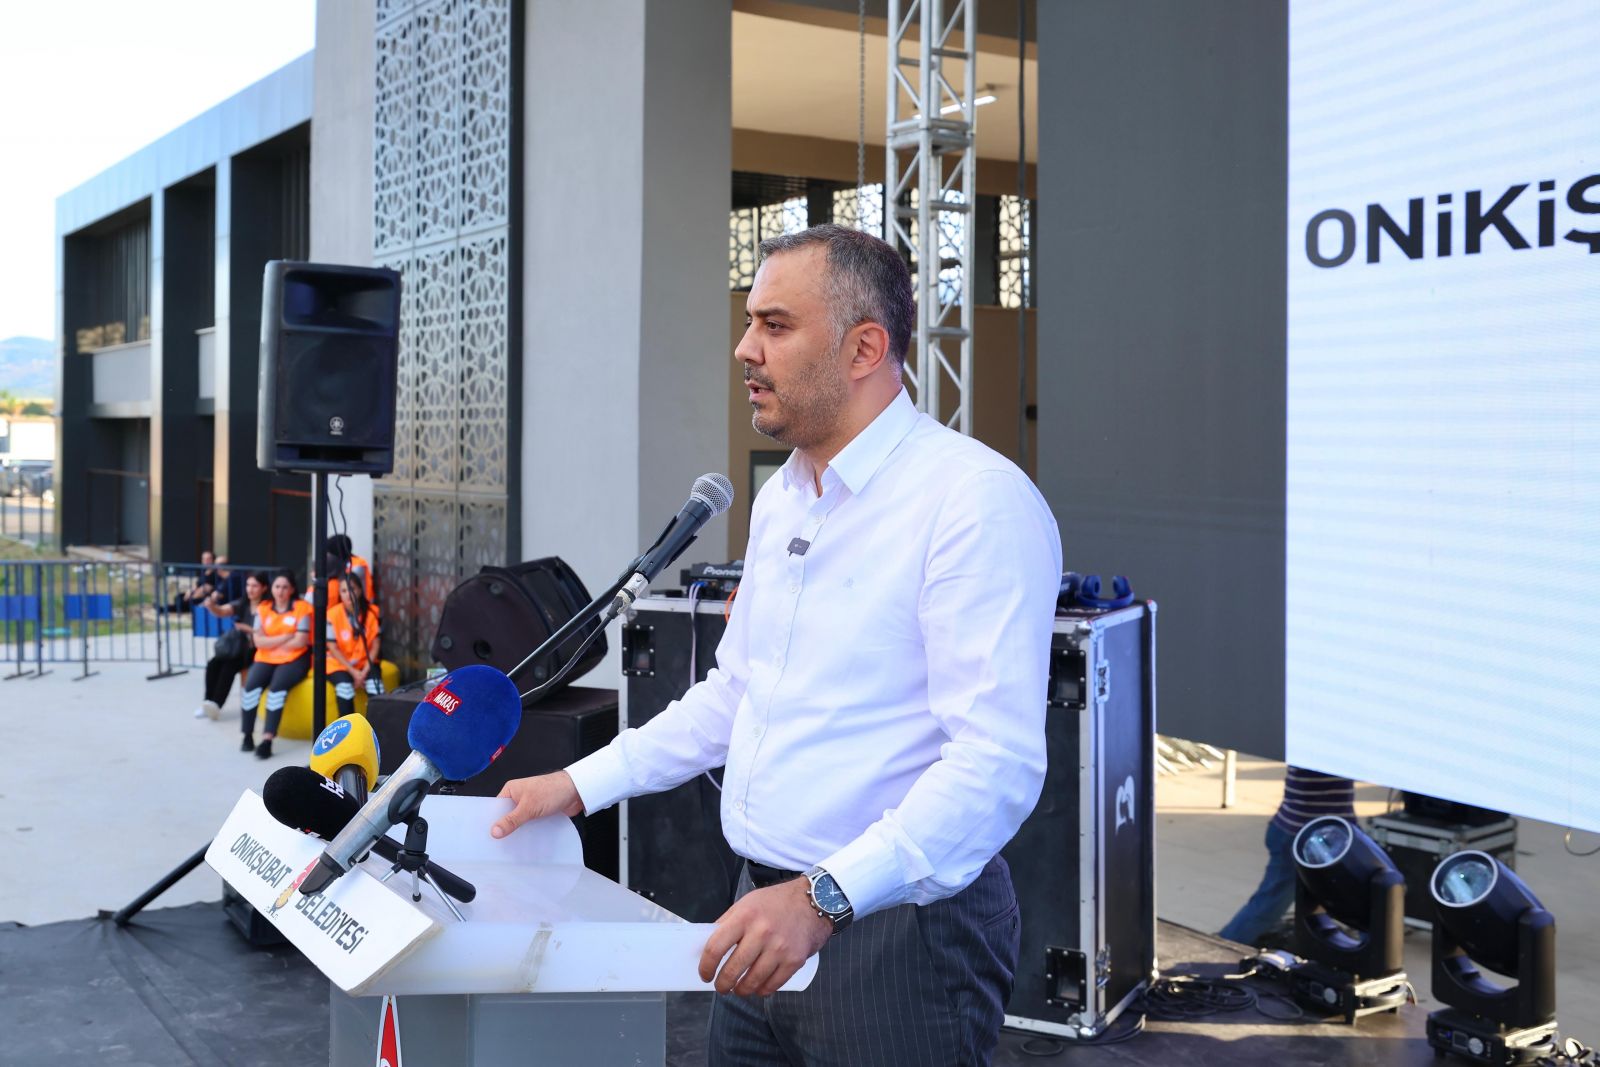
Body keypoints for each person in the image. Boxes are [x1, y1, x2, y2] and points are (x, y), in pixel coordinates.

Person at [490, 224, 1061, 1065]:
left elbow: (995, 766)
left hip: (895, 938)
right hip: (761, 912)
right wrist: (578, 784)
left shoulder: (972, 501)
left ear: (865, 348)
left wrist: (822, 899)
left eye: (775, 325)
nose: (744, 348)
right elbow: (735, 692)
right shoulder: (784, 497)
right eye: (750, 322)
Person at [1218, 765, 1358, 946]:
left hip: (1311, 830)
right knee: (1269, 905)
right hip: (1305, 833)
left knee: (1355, 895)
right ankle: (1224, 945)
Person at [240, 569, 313, 759]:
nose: (280, 591)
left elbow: (301, 641)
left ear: (292, 589)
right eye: (277, 587)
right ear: (271, 588)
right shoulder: (263, 608)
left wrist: (270, 641)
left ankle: (267, 740)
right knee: (250, 687)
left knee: (276, 690)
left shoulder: (302, 608)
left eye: (285, 587)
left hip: (295, 658)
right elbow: (258, 641)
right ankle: (247, 735)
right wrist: (287, 636)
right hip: (265, 658)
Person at [194, 570, 269, 720]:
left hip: (256, 649)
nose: (250, 589)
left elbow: (267, 632)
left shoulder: (268, 607)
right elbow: (222, 611)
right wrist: (211, 606)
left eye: (254, 586)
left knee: (229, 666)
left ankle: (216, 704)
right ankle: (208, 702)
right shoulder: (243, 603)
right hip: (239, 647)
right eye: (248, 585)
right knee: (213, 663)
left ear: (264, 588)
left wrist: (248, 629)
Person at [324, 577, 384, 720]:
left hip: (366, 663)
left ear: (360, 590)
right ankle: (349, 728)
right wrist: (353, 672)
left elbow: (376, 644)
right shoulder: (332, 614)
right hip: (339, 664)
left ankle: (377, 728)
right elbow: (332, 647)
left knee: (376, 687)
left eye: (352, 589)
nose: (348, 594)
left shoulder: (373, 612)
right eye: (344, 591)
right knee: (344, 688)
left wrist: (363, 672)